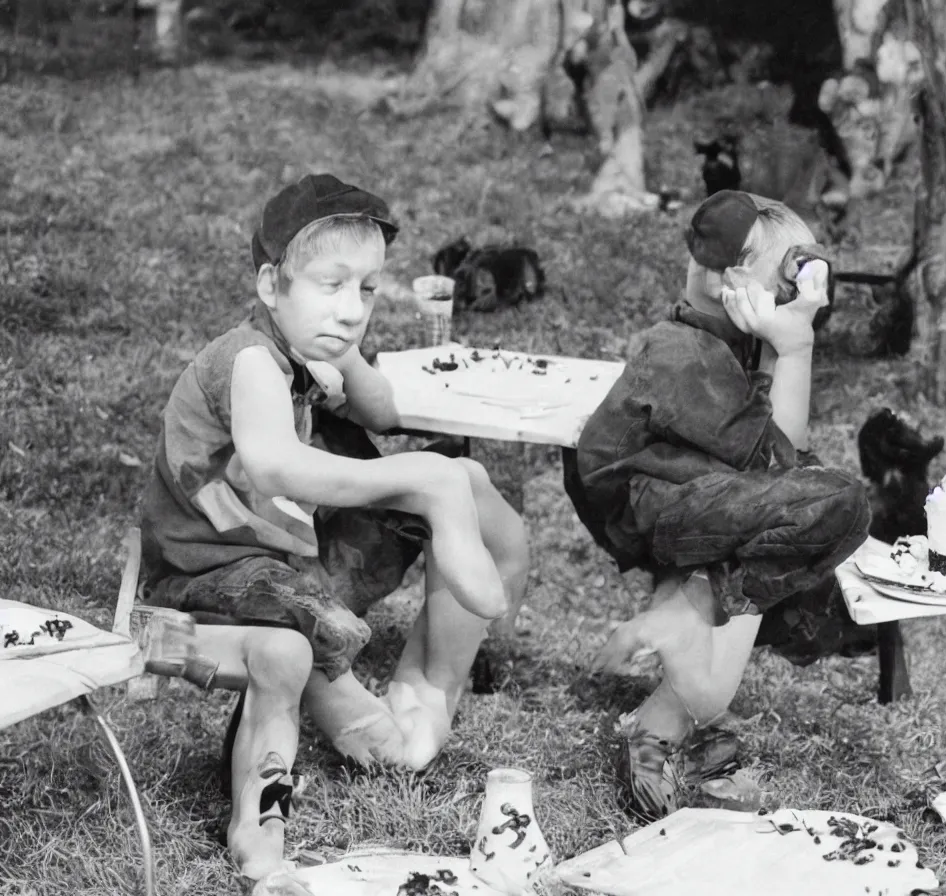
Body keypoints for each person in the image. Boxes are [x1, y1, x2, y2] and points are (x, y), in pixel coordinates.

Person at [138, 174, 530, 891]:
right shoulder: (250, 360)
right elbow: (275, 465)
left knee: (463, 484)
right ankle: (288, 813)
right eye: (331, 286)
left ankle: (426, 688)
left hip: (276, 560)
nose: (352, 309)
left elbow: (381, 412)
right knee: (298, 636)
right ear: (269, 285)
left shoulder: (305, 343)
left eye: (368, 290)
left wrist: (345, 357)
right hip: (206, 569)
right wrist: (420, 480)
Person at [563, 190, 872, 821]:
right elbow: (781, 458)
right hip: (647, 504)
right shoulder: (683, 352)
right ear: (735, 280)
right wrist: (795, 348)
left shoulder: (731, 336)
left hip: (696, 498)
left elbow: (781, 459)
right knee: (832, 501)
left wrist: (788, 341)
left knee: (796, 523)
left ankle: (683, 706)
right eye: (788, 276)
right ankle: (667, 714)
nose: (796, 292)